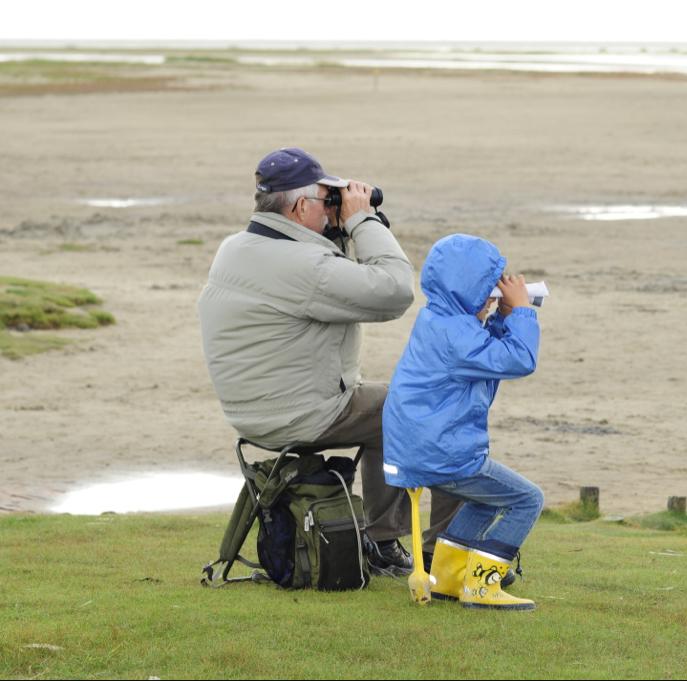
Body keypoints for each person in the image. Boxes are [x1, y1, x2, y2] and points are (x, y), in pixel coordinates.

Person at [197, 147, 460, 577]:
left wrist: (336, 231)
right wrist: (363, 221)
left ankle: (383, 541)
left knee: (388, 411)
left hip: (251, 412)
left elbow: (321, 278)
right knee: (427, 409)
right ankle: (446, 552)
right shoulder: (303, 265)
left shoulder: (238, 247)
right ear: (301, 206)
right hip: (301, 414)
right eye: (326, 199)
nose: (332, 208)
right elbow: (394, 292)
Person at [382, 234, 544, 611]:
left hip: (421, 446)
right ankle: (482, 586)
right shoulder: (457, 333)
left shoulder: (442, 319)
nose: (493, 295)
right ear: (469, 290)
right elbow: (519, 359)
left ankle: (448, 580)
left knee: (485, 500)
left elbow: (489, 354)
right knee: (526, 499)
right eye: (487, 288)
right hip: (442, 451)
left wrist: (500, 317)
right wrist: (521, 311)